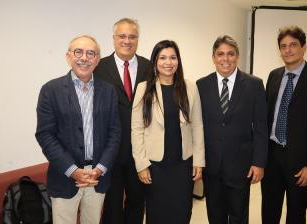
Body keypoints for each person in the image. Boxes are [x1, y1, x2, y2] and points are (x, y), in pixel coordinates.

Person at [35, 35, 121, 224]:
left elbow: (115, 133)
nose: (84, 58)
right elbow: (45, 135)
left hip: (97, 176)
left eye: (91, 53)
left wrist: (100, 169)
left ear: (97, 60)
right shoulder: (50, 90)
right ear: (68, 56)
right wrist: (73, 170)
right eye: (78, 52)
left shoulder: (108, 91)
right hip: (65, 175)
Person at [261, 26, 307, 224]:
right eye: (283, 46)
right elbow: (267, 117)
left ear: (304, 47)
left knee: (296, 212)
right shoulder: (274, 76)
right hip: (271, 156)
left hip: (300, 160)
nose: (288, 50)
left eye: (293, 45)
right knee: (269, 209)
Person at [196, 35, 268, 224]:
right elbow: (197, 126)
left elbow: (261, 127)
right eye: (220, 54)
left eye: (230, 54)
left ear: (237, 56)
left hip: (241, 165)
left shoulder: (254, 85)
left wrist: (259, 162)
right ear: (213, 57)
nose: (225, 59)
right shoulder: (201, 85)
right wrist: (198, 161)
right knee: (215, 214)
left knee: (238, 216)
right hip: (211, 165)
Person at [131, 40, 205, 224]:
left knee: (182, 213)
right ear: (155, 61)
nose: (168, 62)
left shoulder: (190, 87)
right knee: (157, 215)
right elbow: (136, 128)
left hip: (183, 164)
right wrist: (141, 164)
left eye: (173, 57)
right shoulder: (144, 88)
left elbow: (197, 125)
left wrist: (199, 161)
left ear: (178, 61)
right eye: (162, 57)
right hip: (155, 166)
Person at [94, 18, 151, 224]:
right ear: (114, 39)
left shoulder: (149, 67)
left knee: (137, 203)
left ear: (137, 39)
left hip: (140, 152)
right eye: (122, 36)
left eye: (132, 37)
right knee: (111, 207)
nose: (127, 41)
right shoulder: (99, 68)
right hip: (109, 152)